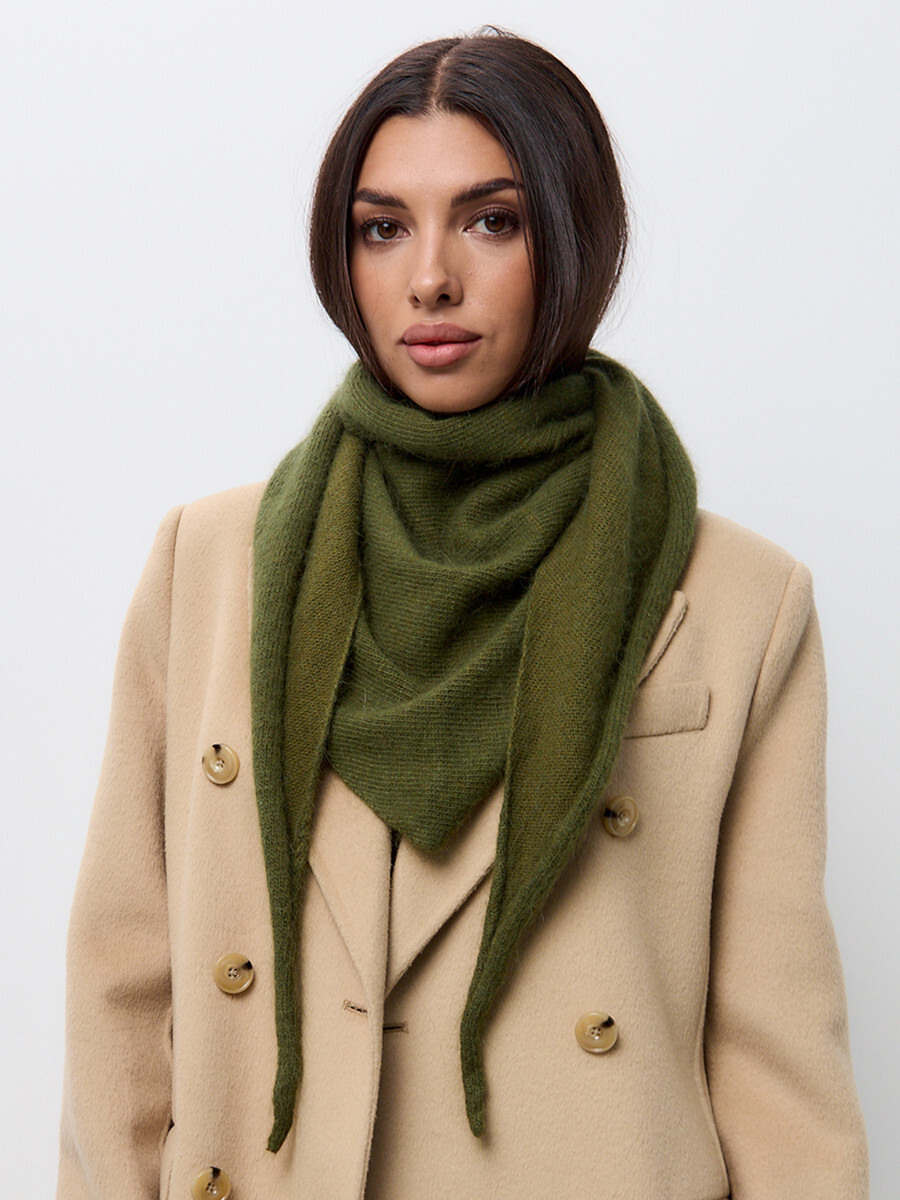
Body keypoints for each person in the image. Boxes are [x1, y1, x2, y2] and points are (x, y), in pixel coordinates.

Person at [57, 30, 868, 1200]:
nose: (430, 278)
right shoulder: (209, 565)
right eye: (382, 228)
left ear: (576, 240)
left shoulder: (741, 600)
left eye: (491, 221)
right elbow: (120, 985)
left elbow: (779, 1059)